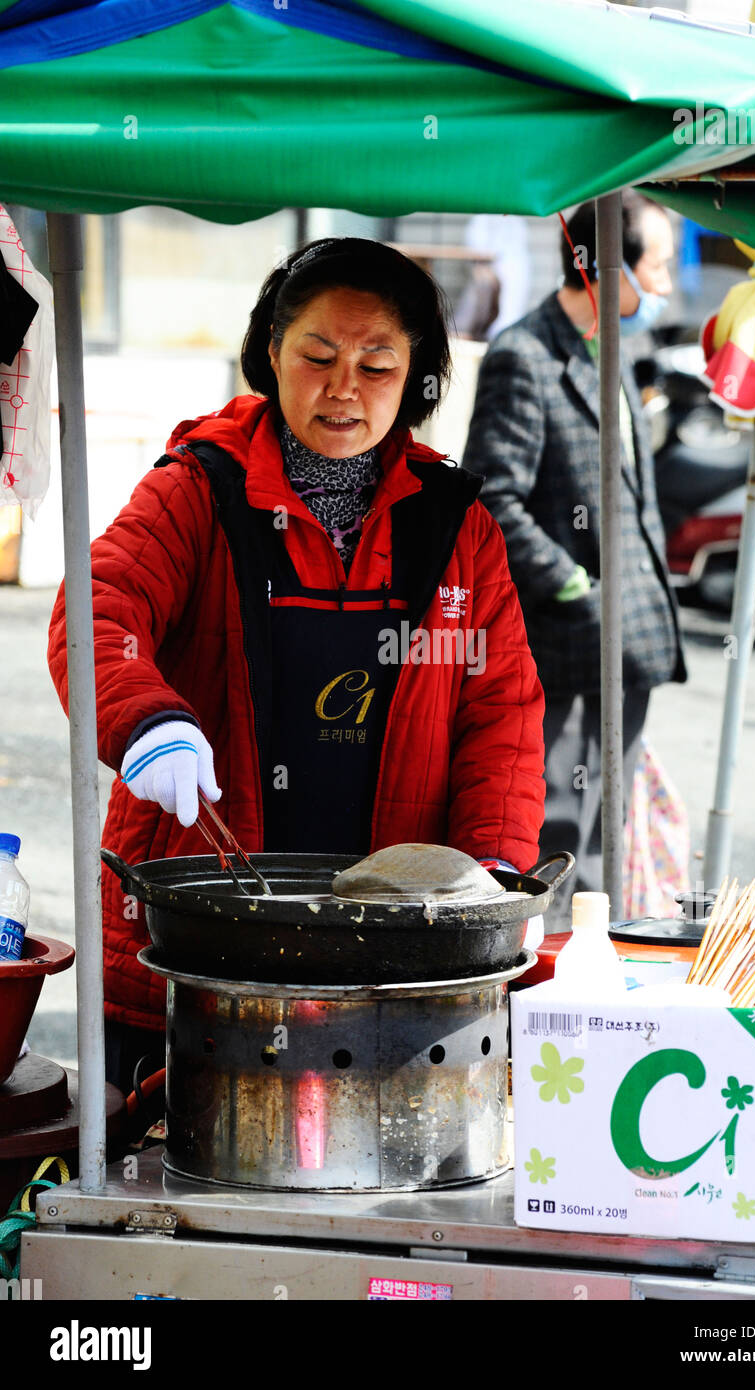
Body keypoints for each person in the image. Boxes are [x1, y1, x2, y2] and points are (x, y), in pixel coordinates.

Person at [47, 238, 545, 1092]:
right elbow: (99, 610)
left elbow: (499, 715)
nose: (343, 386)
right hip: (209, 933)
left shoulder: (455, 525)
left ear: (417, 374)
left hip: (389, 949)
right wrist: (148, 722)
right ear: (270, 352)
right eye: (317, 355)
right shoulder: (199, 488)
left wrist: (488, 873)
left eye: (377, 363)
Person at [461, 195, 686, 933]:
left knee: (603, 825)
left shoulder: (610, 351)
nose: (662, 288)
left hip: (629, 636)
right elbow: (490, 495)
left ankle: (594, 966)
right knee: (556, 823)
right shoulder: (523, 355)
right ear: (602, 267)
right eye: (654, 267)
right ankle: (547, 973)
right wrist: (572, 585)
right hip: (562, 640)